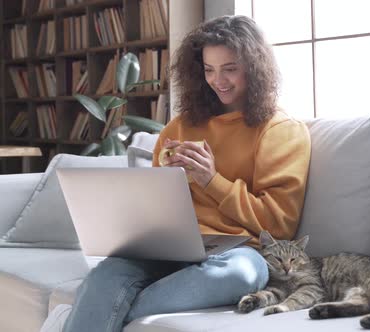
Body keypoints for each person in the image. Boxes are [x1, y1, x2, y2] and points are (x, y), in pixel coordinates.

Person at [41, 15, 311, 332]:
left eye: (230, 68)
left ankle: (82, 318)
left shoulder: (281, 131)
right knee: (106, 274)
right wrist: (169, 184)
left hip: (239, 250)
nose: (218, 80)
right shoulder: (182, 125)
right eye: (208, 69)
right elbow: (155, 206)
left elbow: (279, 223)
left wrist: (212, 180)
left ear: (255, 67)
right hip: (172, 245)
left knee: (239, 275)